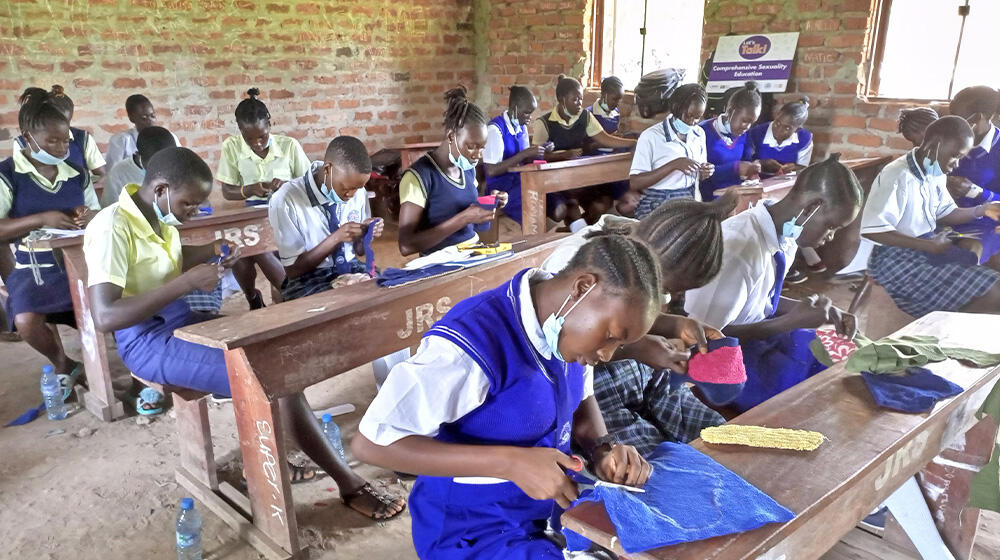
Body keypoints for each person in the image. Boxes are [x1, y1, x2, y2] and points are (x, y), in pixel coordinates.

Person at [84, 146, 407, 519]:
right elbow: (105, 315)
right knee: (270, 377)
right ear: (160, 190)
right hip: (146, 339)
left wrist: (211, 250)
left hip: (179, 321)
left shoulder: (156, 217)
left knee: (273, 352)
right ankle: (349, 484)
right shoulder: (112, 226)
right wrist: (185, 283)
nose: (192, 213)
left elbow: (169, 259)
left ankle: (273, 452)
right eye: (189, 205)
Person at [353, 233, 659, 559]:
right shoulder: (470, 345)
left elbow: (581, 402)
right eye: (610, 336)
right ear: (582, 288)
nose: (608, 354)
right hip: (469, 530)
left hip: (543, 511)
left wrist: (603, 449)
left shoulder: (567, 335)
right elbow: (372, 443)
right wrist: (511, 464)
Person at [541, 197, 737, 455]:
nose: (666, 297)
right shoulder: (579, 264)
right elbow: (564, 347)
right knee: (655, 463)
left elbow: (633, 315)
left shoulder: (645, 251)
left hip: (644, 375)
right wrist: (637, 349)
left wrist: (676, 325)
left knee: (719, 437)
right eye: (665, 289)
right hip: (596, 393)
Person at [686, 155, 864, 412]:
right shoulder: (737, 249)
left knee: (846, 353)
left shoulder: (786, 232)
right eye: (831, 226)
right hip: (724, 358)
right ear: (811, 206)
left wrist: (817, 312)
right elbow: (702, 339)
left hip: (761, 338)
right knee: (810, 399)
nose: (831, 236)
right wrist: (789, 322)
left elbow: (758, 298)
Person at [0, 88, 102, 395]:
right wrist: (41, 219)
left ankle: (109, 375)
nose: (61, 148)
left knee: (109, 307)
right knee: (27, 320)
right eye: (52, 141)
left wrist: (88, 215)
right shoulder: (8, 174)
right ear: (27, 136)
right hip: (32, 268)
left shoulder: (77, 173)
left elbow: (97, 212)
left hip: (78, 263)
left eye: (65, 140)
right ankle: (64, 364)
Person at [862, 116, 1000, 316]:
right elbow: (874, 231)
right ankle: (949, 324)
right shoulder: (897, 176)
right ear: (936, 145)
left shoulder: (934, 172)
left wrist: (982, 209)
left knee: (973, 248)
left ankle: (955, 317)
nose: (955, 165)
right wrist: (928, 246)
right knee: (993, 294)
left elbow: (947, 212)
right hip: (895, 258)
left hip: (924, 246)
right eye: (955, 156)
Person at [217, 88, 311, 308]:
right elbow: (227, 192)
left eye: (262, 136)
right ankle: (254, 296)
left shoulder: (289, 146)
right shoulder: (231, 148)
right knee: (240, 249)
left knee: (258, 248)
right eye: (249, 139)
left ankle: (287, 293)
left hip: (286, 214)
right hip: (252, 215)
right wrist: (249, 190)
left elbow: (308, 185)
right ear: (240, 131)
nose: (257, 143)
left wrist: (287, 186)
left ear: (270, 126)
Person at [397, 86, 502, 256]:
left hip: (471, 252)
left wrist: (489, 207)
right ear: (451, 136)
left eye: (482, 148)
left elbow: (475, 227)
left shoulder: (467, 169)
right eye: (471, 147)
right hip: (440, 263)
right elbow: (406, 246)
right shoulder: (419, 177)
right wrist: (464, 218)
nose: (477, 155)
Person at [534, 75, 637, 227]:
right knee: (564, 213)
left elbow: (605, 138)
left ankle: (577, 226)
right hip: (556, 180)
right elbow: (535, 157)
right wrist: (564, 155)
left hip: (579, 178)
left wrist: (633, 142)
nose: (579, 104)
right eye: (575, 100)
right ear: (562, 99)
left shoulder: (585, 116)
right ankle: (572, 219)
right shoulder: (544, 123)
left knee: (601, 206)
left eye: (581, 99)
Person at [630, 83, 714, 219]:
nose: (692, 122)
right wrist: (673, 165)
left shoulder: (699, 134)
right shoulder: (651, 136)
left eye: (697, 118)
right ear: (676, 108)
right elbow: (635, 182)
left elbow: (699, 171)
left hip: (690, 197)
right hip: (659, 201)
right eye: (688, 115)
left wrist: (705, 171)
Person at [946, 87, 1000, 265]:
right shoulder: (947, 139)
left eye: (957, 118)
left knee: (966, 255)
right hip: (944, 215)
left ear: (978, 118)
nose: (951, 124)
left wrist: (975, 192)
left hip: (985, 223)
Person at [482, 86, 549, 224]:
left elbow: (524, 159)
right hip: (501, 187)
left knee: (549, 194)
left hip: (519, 179)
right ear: (515, 108)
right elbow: (491, 170)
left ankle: (550, 232)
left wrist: (540, 151)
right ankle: (539, 235)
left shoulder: (521, 127)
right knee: (533, 202)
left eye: (531, 113)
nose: (529, 118)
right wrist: (524, 154)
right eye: (526, 113)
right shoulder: (495, 129)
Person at [13, 85, 106, 184]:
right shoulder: (22, 142)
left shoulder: (83, 139)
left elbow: (102, 175)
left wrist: (84, 189)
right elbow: (18, 180)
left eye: (65, 123)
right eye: (52, 141)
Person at [698, 81, 763, 200]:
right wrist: (735, 168)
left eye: (751, 123)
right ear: (730, 110)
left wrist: (753, 167)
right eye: (744, 120)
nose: (747, 127)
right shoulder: (702, 131)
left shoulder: (745, 134)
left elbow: (746, 160)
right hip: (708, 200)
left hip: (734, 198)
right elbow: (698, 173)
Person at [104, 126, 177, 207]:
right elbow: (110, 212)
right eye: (154, 164)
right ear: (138, 155)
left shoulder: (179, 168)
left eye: (166, 162)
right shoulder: (118, 175)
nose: (160, 169)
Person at [745, 97, 813, 175]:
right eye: (777, 123)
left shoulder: (804, 139)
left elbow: (803, 167)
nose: (779, 130)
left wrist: (794, 167)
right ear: (776, 116)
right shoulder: (756, 133)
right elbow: (744, 163)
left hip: (786, 183)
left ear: (797, 129)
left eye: (787, 128)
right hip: (759, 181)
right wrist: (761, 163)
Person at [104, 94, 172, 170]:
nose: (150, 121)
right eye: (144, 118)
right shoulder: (121, 140)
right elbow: (112, 172)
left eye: (152, 116)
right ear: (131, 119)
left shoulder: (168, 137)